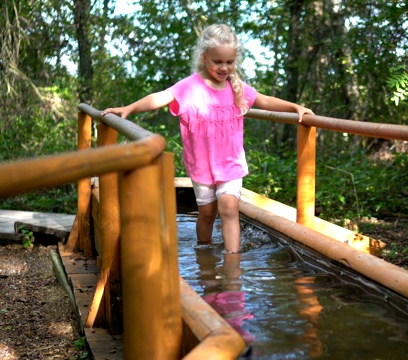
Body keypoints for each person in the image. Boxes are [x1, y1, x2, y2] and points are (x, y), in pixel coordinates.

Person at [102, 24, 314, 253]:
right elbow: (160, 97)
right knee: (207, 214)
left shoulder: (237, 88)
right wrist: (129, 108)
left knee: (229, 209)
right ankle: (204, 253)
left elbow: (265, 100)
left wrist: (295, 107)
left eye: (229, 62)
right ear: (205, 58)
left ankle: (232, 262)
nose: (224, 68)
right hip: (201, 165)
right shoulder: (189, 87)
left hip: (230, 163)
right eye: (218, 62)